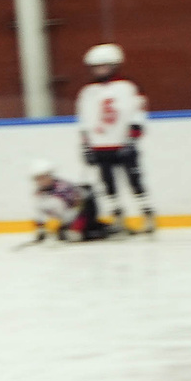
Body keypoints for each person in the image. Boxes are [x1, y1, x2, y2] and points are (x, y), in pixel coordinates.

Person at [73, 43, 155, 235]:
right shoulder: (88, 91)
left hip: (122, 142)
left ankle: (147, 214)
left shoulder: (127, 87)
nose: (99, 71)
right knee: (107, 184)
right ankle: (118, 216)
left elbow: (138, 113)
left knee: (135, 180)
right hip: (100, 145)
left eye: (104, 66)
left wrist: (133, 138)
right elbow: (85, 119)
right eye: (96, 67)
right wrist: (86, 145)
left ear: (114, 65)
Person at [30, 160, 111, 243]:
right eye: (37, 179)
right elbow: (41, 213)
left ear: (50, 176)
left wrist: (76, 227)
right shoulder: (39, 194)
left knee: (74, 236)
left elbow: (82, 206)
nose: (40, 181)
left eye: (43, 178)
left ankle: (104, 229)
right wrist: (41, 230)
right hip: (69, 218)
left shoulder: (62, 188)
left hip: (84, 212)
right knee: (62, 235)